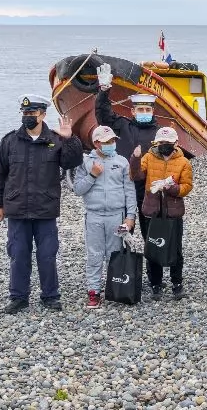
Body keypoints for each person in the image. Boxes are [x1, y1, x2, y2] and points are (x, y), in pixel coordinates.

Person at [0, 94, 83, 314]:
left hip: (45, 209)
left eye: (32, 113)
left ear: (43, 114)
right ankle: (18, 297)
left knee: (47, 255)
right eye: (25, 113)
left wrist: (70, 139)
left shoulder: (56, 139)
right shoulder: (10, 140)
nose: (27, 116)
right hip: (17, 209)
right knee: (18, 254)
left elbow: (73, 161)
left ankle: (50, 296)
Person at [94, 65, 160, 250]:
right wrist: (104, 90)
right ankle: (124, 269)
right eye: (141, 109)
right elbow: (103, 115)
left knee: (152, 233)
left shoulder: (160, 132)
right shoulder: (123, 126)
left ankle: (154, 275)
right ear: (133, 111)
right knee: (123, 229)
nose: (144, 113)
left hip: (149, 188)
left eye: (148, 109)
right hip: (124, 186)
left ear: (153, 111)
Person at [73, 126, 138, 309]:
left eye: (113, 140)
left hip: (116, 215)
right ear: (96, 143)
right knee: (94, 255)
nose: (111, 144)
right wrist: (93, 175)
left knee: (115, 255)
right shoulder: (85, 162)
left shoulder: (122, 162)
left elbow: (129, 191)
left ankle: (115, 288)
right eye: (107, 141)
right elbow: (78, 189)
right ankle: (93, 292)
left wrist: (130, 216)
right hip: (93, 215)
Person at [130, 127, 193, 300]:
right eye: (161, 143)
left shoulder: (184, 162)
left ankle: (177, 284)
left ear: (176, 143)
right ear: (156, 143)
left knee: (176, 249)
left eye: (168, 143)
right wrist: (135, 158)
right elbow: (136, 176)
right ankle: (155, 284)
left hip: (173, 211)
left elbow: (187, 186)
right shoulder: (148, 157)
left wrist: (173, 189)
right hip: (153, 210)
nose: (164, 145)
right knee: (153, 248)